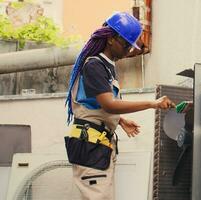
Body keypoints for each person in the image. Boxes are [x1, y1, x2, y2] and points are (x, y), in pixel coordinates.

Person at [64, 12, 174, 200]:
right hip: (91, 147)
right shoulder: (94, 65)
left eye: (130, 47)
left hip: (97, 146)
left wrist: (119, 120)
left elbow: (94, 103)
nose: (128, 51)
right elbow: (109, 104)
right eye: (126, 45)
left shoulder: (106, 66)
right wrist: (151, 103)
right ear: (111, 39)